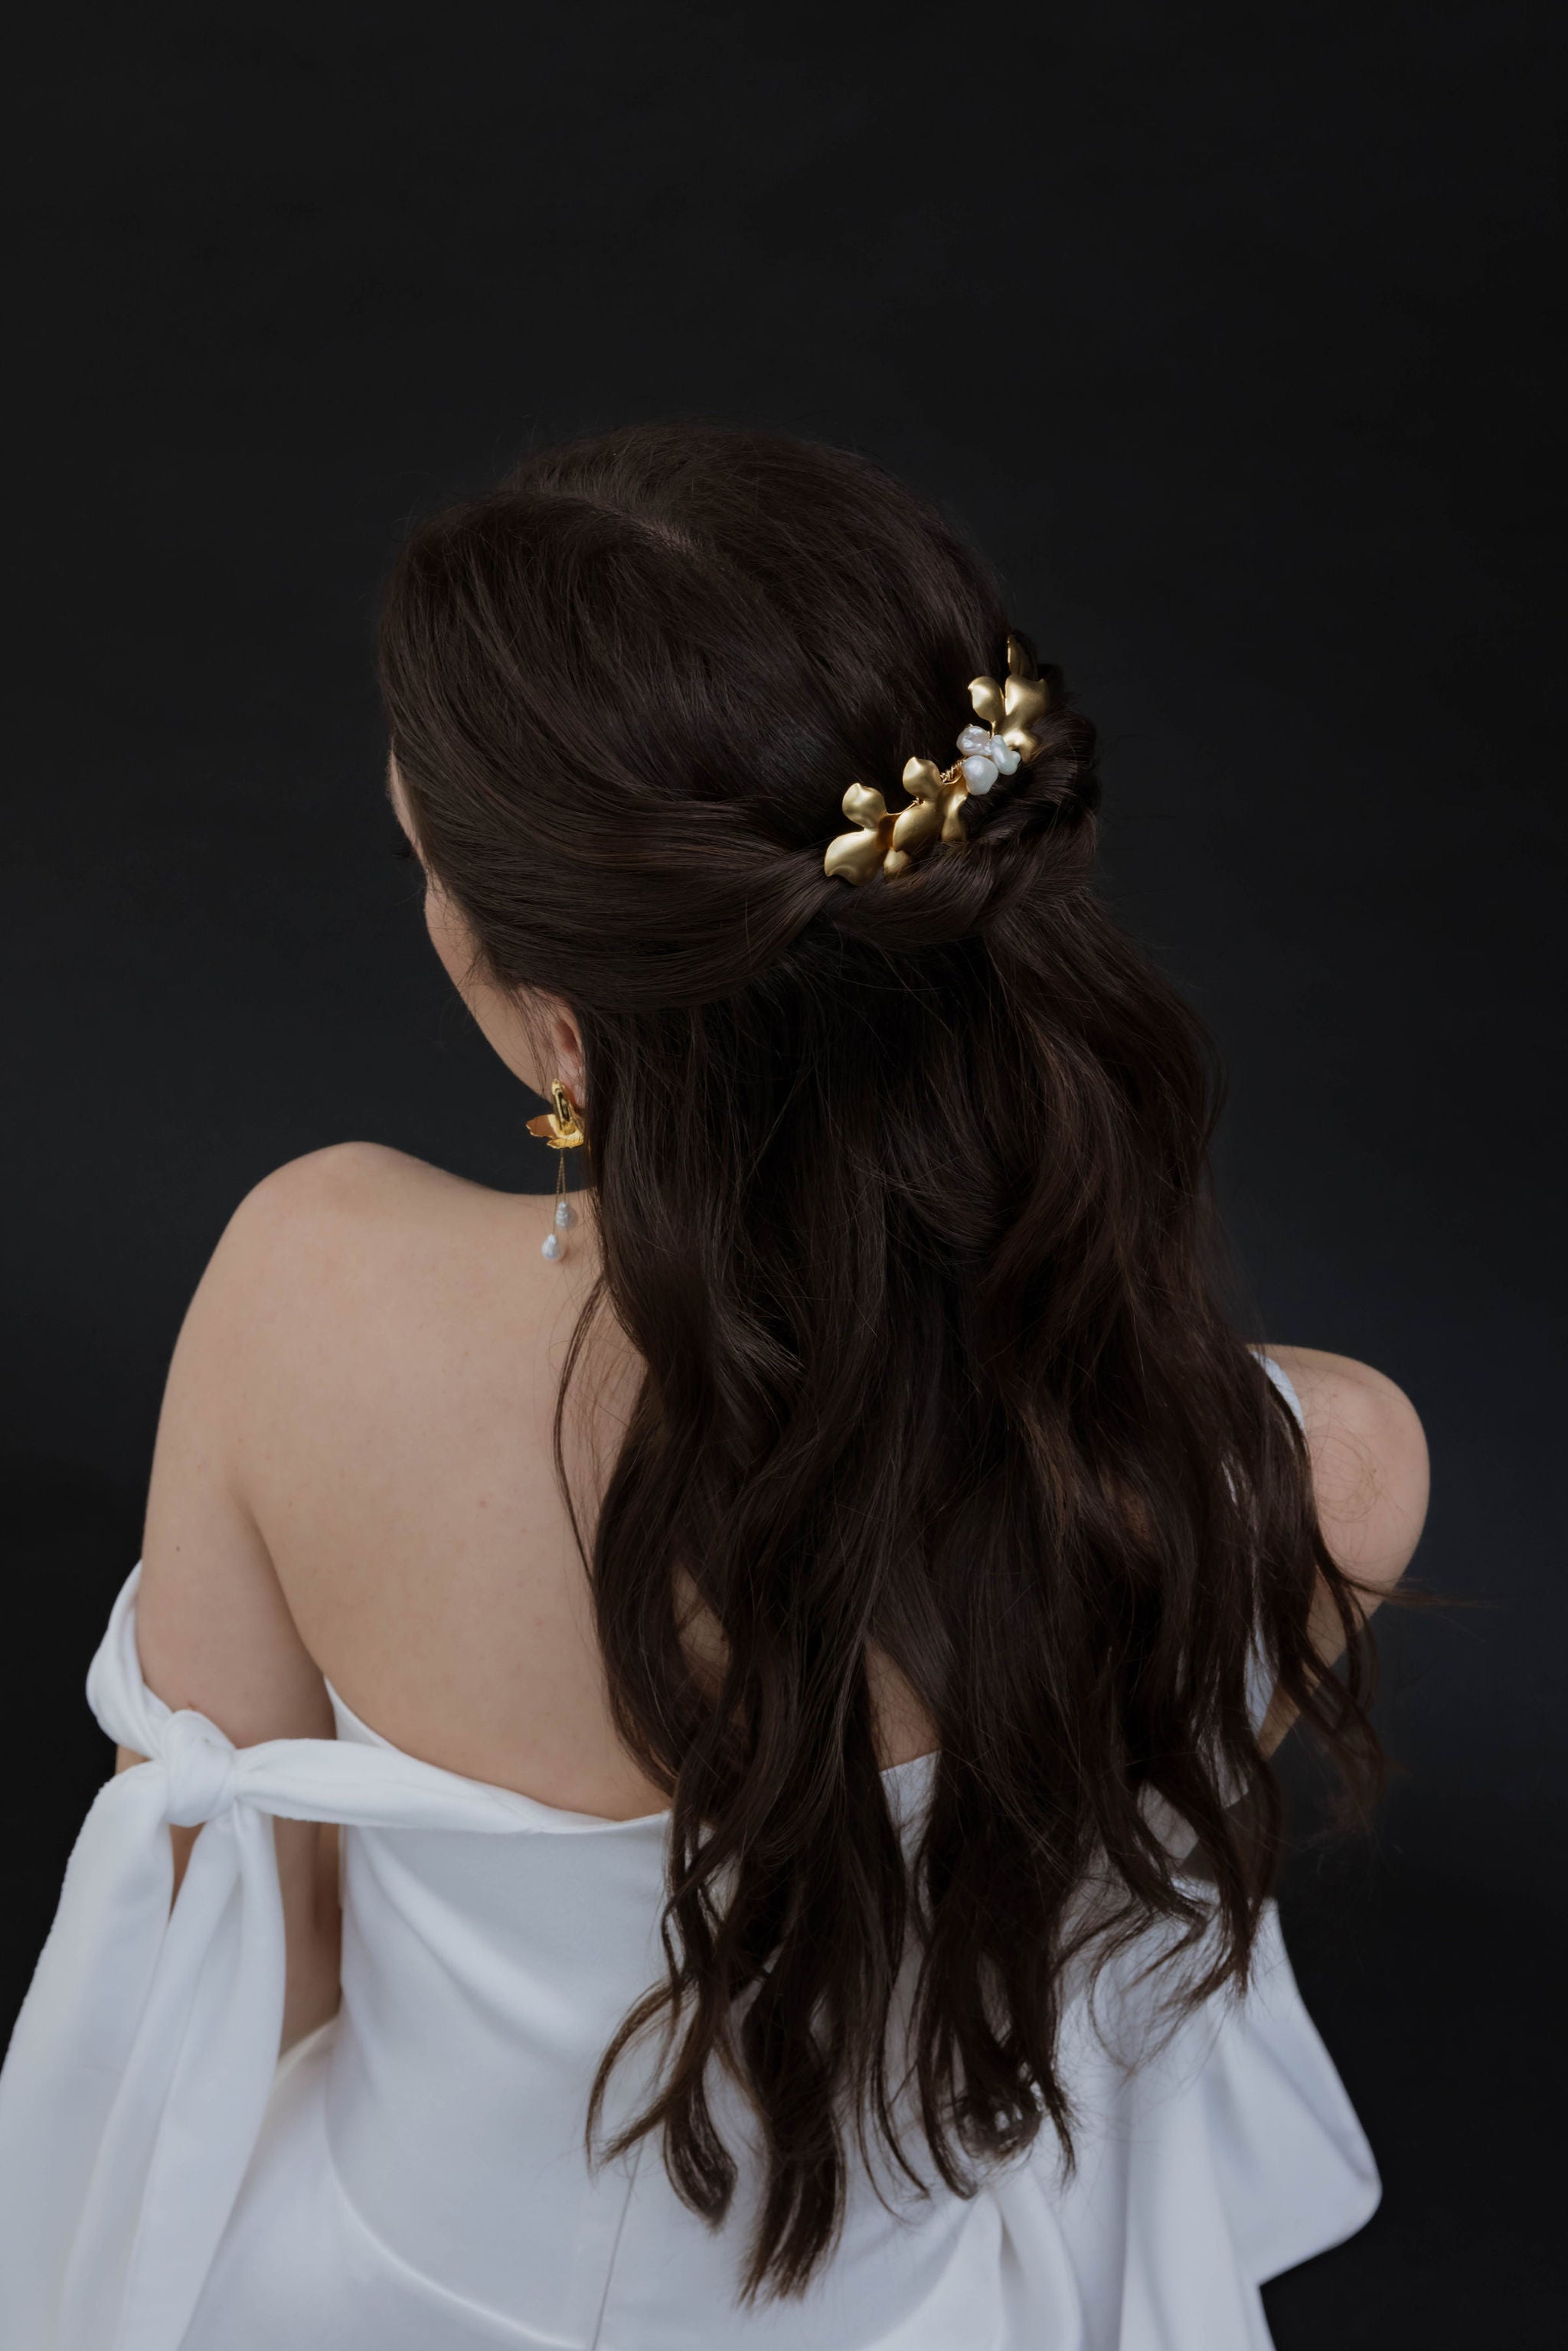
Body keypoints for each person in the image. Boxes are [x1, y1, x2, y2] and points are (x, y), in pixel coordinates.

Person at [0, 425, 1429, 2351]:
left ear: (565, 1035)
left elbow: (232, 1973)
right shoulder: (1311, 1472)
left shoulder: (298, 1292)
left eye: (428, 869)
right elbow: (1083, 1946)